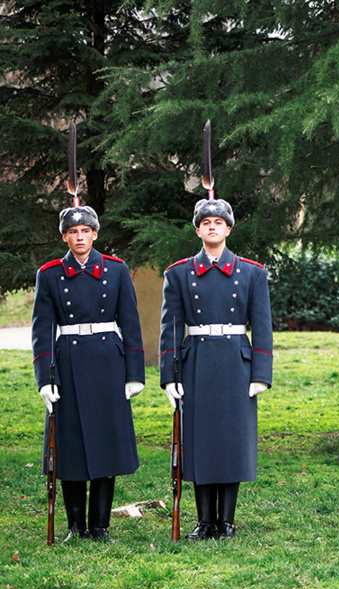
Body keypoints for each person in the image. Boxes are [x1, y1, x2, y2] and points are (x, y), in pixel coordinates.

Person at [159, 197, 272, 540]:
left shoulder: (252, 273)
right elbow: (170, 329)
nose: (212, 227)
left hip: (236, 364)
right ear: (197, 230)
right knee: (201, 443)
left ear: (228, 229)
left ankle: (227, 521)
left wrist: (260, 375)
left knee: (231, 443)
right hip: (196, 364)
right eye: (206, 222)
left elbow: (263, 327)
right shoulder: (178, 273)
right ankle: (204, 520)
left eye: (218, 223)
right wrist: (169, 377)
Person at [33, 205, 145, 542]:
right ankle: (75, 527)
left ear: (95, 233)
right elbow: (41, 332)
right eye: (73, 232)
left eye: (85, 231)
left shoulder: (116, 269)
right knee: (69, 449)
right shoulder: (50, 274)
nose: (79, 237)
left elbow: (130, 322)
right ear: (64, 236)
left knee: (106, 444)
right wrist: (45, 379)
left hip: (108, 361)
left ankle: (100, 526)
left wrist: (134, 373)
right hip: (67, 363)